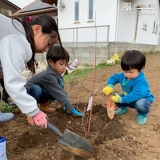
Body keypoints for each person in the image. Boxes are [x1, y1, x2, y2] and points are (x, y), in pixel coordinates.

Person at [0, 14, 62, 127]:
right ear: (37, 29)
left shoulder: (16, 29)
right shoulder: (18, 39)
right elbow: (13, 83)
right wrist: (33, 111)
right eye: (48, 43)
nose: (46, 50)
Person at [25, 45, 86, 117]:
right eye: (61, 64)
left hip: (38, 93)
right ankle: (30, 112)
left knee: (56, 88)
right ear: (50, 62)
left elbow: (61, 91)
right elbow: (59, 93)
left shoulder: (57, 76)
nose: (64, 67)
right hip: (26, 94)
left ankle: (43, 106)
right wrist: (71, 109)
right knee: (36, 89)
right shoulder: (48, 76)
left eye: (66, 64)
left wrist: (66, 104)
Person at [103, 50, 154, 125]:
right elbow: (114, 78)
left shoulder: (141, 81)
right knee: (115, 98)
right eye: (125, 71)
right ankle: (124, 108)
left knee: (140, 104)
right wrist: (110, 85)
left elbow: (135, 94)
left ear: (141, 68)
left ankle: (142, 114)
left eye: (131, 72)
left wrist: (121, 100)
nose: (127, 74)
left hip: (141, 99)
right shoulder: (123, 76)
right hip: (128, 98)